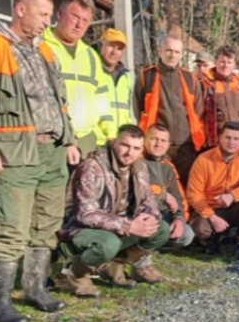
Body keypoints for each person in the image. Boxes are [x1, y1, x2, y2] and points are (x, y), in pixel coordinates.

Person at [0, 0, 80, 322]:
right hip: (15, 154)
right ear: (20, 9)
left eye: (49, 15)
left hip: (52, 152)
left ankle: (34, 288)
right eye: (43, 14)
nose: (48, 22)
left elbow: (60, 102)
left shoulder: (45, 51)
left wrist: (70, 140)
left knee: (45, 226)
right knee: (12, 229)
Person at [59, 125, 170, 296]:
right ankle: (77, 272)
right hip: (80, 229)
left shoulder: (139, 166)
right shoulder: (92, 167)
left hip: (117, 225)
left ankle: (116, 265)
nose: (129, 153)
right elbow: (85, 215)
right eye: (125, 145)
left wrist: (149, 218)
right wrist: (127, 225)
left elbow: (149, 198)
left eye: (136, 148)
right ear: (113, 143)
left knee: (160, 229)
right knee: (108, 244)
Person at [43, 0, 110, 157]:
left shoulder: (91, 56)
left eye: (85, 20)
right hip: (53, 141)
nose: (79, 25)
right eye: (75, 17)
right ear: (59, 14)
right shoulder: (41, 48)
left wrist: (108, 134)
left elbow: (101, 98)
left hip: (87, 141)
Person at [134, 35, 204, 187]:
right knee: (159, 188)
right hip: (158, 145)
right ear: (160, 51)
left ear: (181, 54)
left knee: (187, 187)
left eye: (177, 52)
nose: (172, 55)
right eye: (168, 50)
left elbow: (198, 111)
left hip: (185, 146)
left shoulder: (190, 79)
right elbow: (138, 110)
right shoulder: (146, 76)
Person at [187, 122, 239, 261]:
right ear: (219, 138)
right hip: (212, 208)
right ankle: (213, 238)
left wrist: (232, 196)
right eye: (227, 137)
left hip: (237, 205)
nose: (231, 142)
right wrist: (212, 217)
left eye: (236, 138)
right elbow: (193, 193)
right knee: (198, 229)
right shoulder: (203, 159)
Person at [144, 125, 196, 249]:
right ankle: (138, 249)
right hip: (141, 213)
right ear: (145, 140)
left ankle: (155, 244)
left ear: (168, 145)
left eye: (163, 141)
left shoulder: (168, 166)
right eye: (154, 139)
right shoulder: (136, 161)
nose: (158, 144)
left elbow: (178, 196)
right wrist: (163, 194)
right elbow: (139, 189)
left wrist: (179, 219)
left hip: (163, 214)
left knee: (187, 235)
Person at [200, 45, 239, 148]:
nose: (225, 65)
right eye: (222, 61)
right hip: (217, 142)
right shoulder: (206, 85)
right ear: (215, 62)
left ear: (234, 65)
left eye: (229, 62)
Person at [97, 28, 135, 142]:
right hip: (98, 141)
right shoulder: (91, 72)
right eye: (111, 46)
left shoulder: (127, 77)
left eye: (119, 48)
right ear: (101, 46)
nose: (114, 51)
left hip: (121, 142)